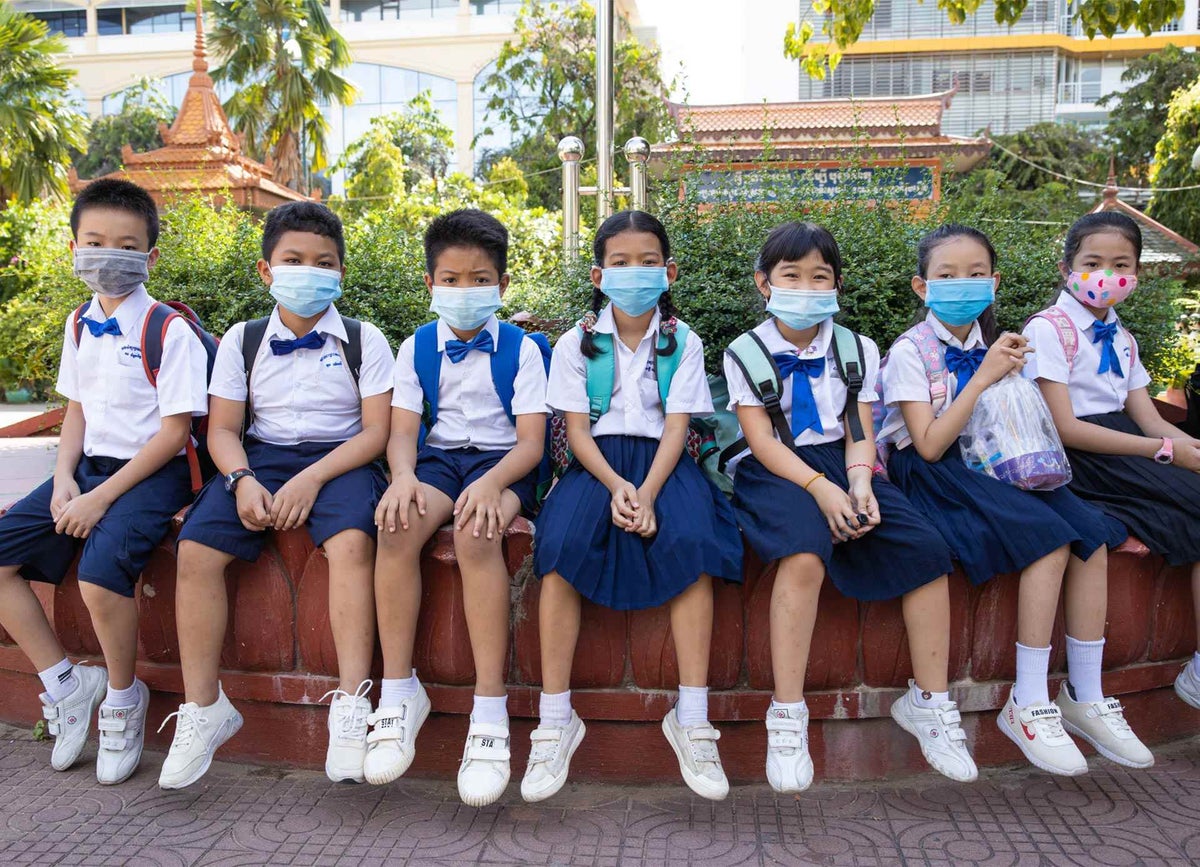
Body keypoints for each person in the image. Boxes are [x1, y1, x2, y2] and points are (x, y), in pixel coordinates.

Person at [880, 223, 1149, 776]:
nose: (963, 285)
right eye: (946, 275)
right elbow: (928, 446)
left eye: (976, 274)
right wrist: (982, 377)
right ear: (920, 286)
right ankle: (1028, 700)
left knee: (1092, 533)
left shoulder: (998, 345)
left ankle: (1086, 692)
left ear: (995, 283)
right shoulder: (911, 351)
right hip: (934, 470)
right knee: (1048, 541)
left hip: (994, 460)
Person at [727, 221, 975, 792]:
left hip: (846, 463)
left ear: (837, 283)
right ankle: (787, 714)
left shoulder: (858, 348)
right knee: (805, 553)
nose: (808, 287)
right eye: (792, 276)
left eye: (821, 276)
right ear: (765, 283)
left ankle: (931, 703)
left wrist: (861, 482)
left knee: (926, 547)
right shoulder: (745, 351)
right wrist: (820, 489)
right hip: (777, 472)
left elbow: (861, 432)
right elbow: (762, 442)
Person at [159, 202, 394, 789]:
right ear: (267, 271)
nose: (308, 271)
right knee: (194, 553)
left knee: (350, 547)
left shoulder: (365, 342)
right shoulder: (243, 341)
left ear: (340, 273)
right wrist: (241, 481)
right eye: (293, 259)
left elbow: (376, 433)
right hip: (258, 460)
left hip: (342, 459)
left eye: (323, 262)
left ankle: (351, 704)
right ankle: (203, 707)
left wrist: (313, 478)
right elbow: (220, 430)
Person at [524, 210, 743, 803]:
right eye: (620, 263)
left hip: (664, 461)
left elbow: (679, 427)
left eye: (648, 262)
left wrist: (646, 492)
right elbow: (575, 430)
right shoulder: (577, 343)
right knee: (560, 545)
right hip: (595, 461)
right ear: (599, 275)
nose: (635, 273)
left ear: (668, 271)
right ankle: (555, 716)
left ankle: (692, 717)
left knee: (694, 541)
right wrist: (618, 485)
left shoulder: (683, 341)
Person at [0, 179, 209, 784]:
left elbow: (174, 435)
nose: (107, 255)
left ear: (150, 257)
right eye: (95, 242)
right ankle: (67, 684)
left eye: (125, 245)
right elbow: (78, 412)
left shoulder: (167, 331)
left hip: (152, 473)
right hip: (87, 468)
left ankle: (122, 695)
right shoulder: (78, 323)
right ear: (73, 247)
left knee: (98, 573)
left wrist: (99, 498)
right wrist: (64, 477)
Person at [366, 209, 548, 808]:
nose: (464, 291)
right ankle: (397, 693)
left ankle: (489, 712)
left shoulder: (524, 350)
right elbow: (402, 432)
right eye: (450, 278)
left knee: (475, 536)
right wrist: (401, 478)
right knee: (395, 530)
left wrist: (494, 485)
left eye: (479, 279)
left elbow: (530, 443)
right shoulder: (415, 346)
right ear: (430, 284)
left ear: (501, 284)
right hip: (440, 461)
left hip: (508, 463)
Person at [1022, 211, 1200, 715]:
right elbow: (1064, 427)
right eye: (1092, 262)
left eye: (1121, 263)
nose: (1106, 273)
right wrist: (1165, 453)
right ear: (1066, 268)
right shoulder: (1049, 329)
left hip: (1126, 447)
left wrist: (1186, 449)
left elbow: (1148, 417)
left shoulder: (1122, 337)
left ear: (1137, 274)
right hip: (1084, 455)